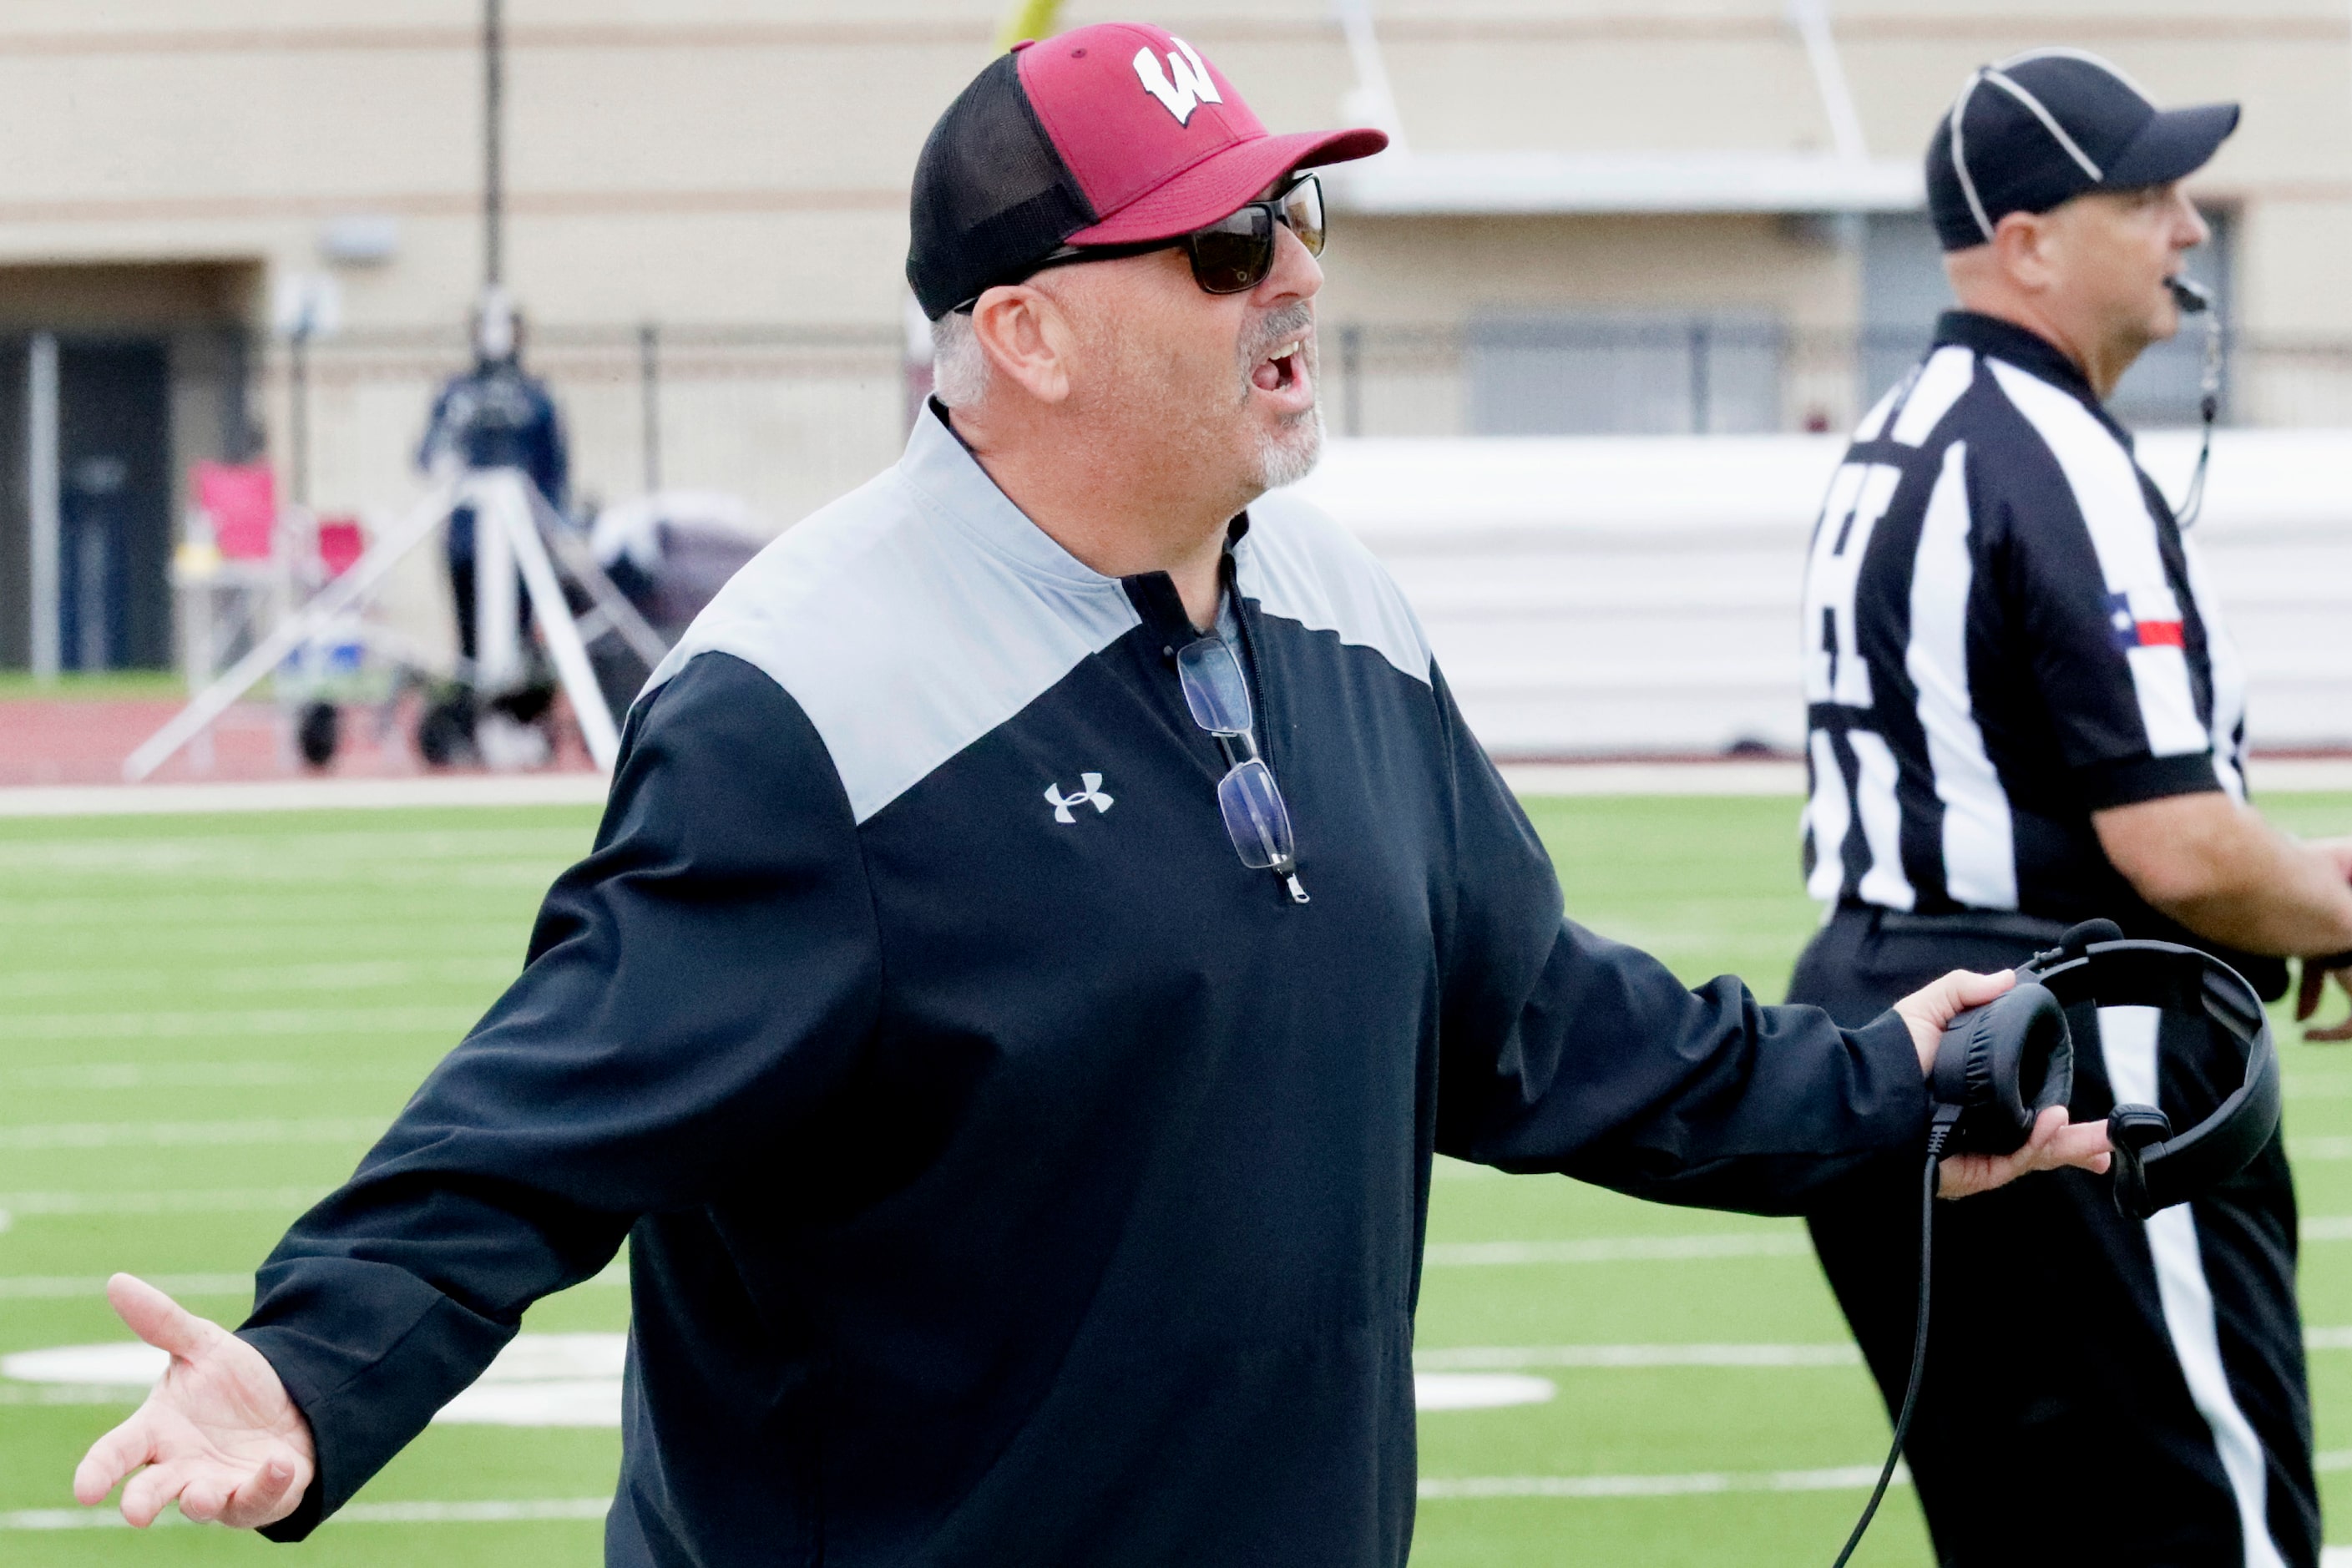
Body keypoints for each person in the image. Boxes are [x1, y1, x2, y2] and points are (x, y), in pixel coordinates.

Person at [73, 25, 2107, 1565]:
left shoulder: (1346, 607)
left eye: (1298, 218)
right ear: (1025, 332)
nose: (1292, 277)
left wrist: (1878, 1092)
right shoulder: (808, 699)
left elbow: (1533, 1022)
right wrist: (305, 1366)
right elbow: (542, 1122)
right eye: (1226, 242)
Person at [1788, 48, 2352, 1568]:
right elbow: (2174, 842)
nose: (2186, 231)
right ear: (2025, 240)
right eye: (2144, 196)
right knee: (2204, 1530)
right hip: (2073, 1050)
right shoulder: (2054, 460)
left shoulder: (1909, 430)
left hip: (1909, 1022)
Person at [416, 286, 571, 763]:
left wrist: (553, 530)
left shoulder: (536, 399)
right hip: (466, 538)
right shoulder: (456, 396)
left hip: (523, 540)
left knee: (520, 640)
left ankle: (513, 725)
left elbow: (554, 471)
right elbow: (430, 455)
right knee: (470, 641)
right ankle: (472, 727)